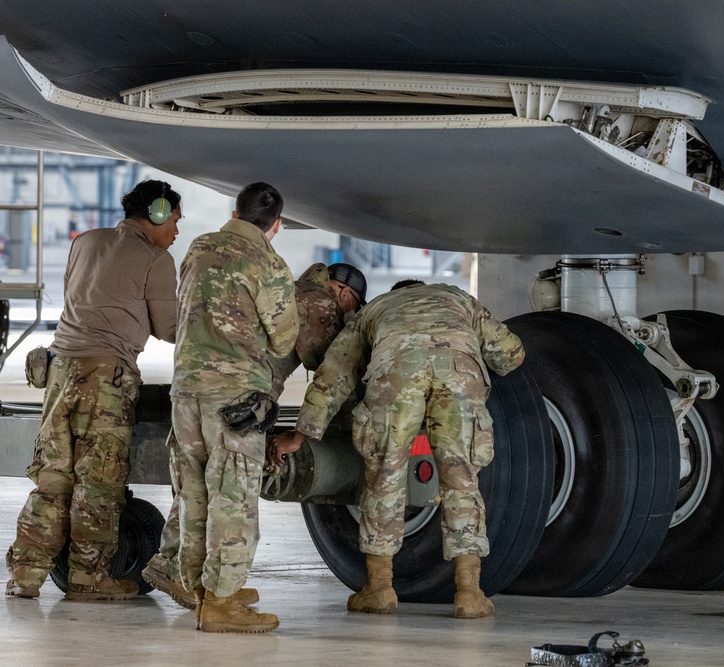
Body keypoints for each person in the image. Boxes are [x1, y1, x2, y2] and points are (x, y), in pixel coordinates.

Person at [270, 280, 524, 619]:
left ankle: (380, 589)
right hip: (459, 373)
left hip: (396, 370)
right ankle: (469, 593)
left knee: (385, 477)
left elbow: (335, 374)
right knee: (461, 480)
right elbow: (511, 354)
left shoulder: (375, 309)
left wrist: (300, 435)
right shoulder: (459, 299)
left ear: (396, 292)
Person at [141, 262, 367, 610]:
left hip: (200, 384)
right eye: (352, 306)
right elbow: (333, 366)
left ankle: (192, 575)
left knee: (198, 480)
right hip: (241, 394)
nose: (348, 314)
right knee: (227, 489)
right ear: (344, 292)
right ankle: (185, 574)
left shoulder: (291, 292)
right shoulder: (320, 303)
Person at [5, 180, 182, 601]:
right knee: (98, 483)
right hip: (105, 379)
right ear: (156, 214)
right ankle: (89, 579)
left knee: (51, 479)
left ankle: (25, 576)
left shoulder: (84, 242)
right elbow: (170, 328)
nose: (176, 230)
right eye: (174, 220)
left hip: (59, 370)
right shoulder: (156, 258)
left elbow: (74, 296)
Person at [169, 182, 298, 633]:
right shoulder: (269, 263)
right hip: (235, 399)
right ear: (275, 225)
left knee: (193, 493)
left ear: (234, 210)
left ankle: (202, 588)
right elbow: (284, 339)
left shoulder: (198, 247)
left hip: (185, 391)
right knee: (233, 499)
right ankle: (221, 603)